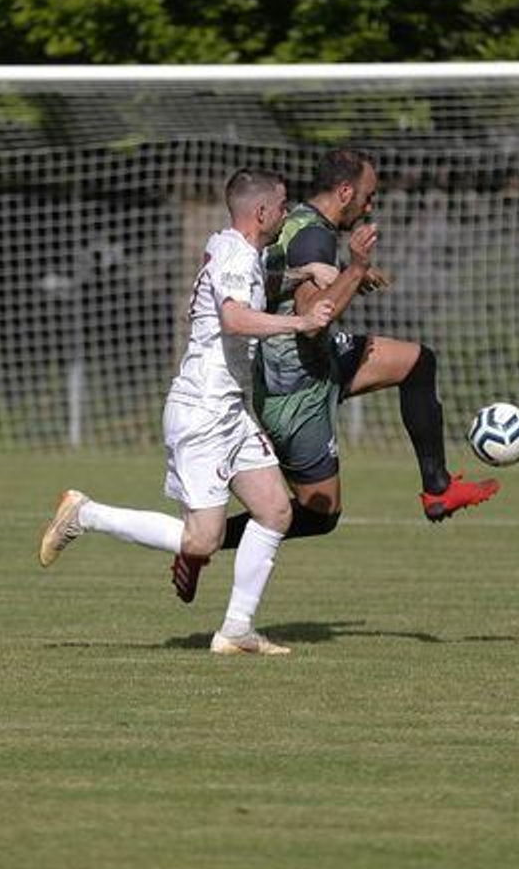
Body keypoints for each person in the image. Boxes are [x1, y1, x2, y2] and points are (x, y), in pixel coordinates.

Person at [37, 168, 336, 656]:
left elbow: (253, 283)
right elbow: (235, 318)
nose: (286, 215)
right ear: (262, 212)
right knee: (201, 543)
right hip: (203, 412)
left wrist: (305, 274)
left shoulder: (231, 247)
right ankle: (84, 514)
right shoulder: (239, 255)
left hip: (230, 410)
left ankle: (237, 630)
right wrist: (300, 320)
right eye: (282, 207)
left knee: (276, 511)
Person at [209, 148, 500, 582]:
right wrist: (357, 266)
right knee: (319, 514)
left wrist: (352, 274)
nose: (370, 205)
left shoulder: (304, 222)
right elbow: (312, 316)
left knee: (418, 362)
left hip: (321, 361)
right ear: (345, 191)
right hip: (296, 387)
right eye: (367, 196)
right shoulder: (315, 238)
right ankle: (202, 541)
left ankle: (438, 490)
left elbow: (293, 284)